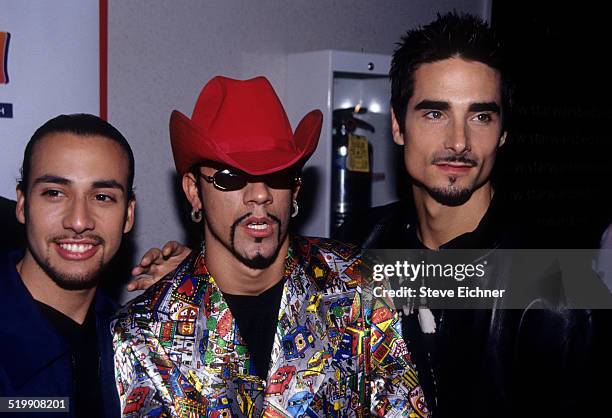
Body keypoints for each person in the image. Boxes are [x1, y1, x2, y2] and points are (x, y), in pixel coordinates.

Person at [112, 76, 429, 417]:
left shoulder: (361, 287)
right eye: (230, 177)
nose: (260, 194)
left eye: (277, 175)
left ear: (295, 188)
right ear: (193, 191)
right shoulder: (142, 332)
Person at [336, 12, 598, 417]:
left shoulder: (555, 284)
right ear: (397, 125)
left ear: (504, 133)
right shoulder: (356, 246)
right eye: (435, 113)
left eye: (481, 116)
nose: (458, 142)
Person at [0, 114, 136, 418]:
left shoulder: (140, 344)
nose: (78, 221)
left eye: (102, 197)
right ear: (22, 205)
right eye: (55, 193)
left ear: (128, 215)